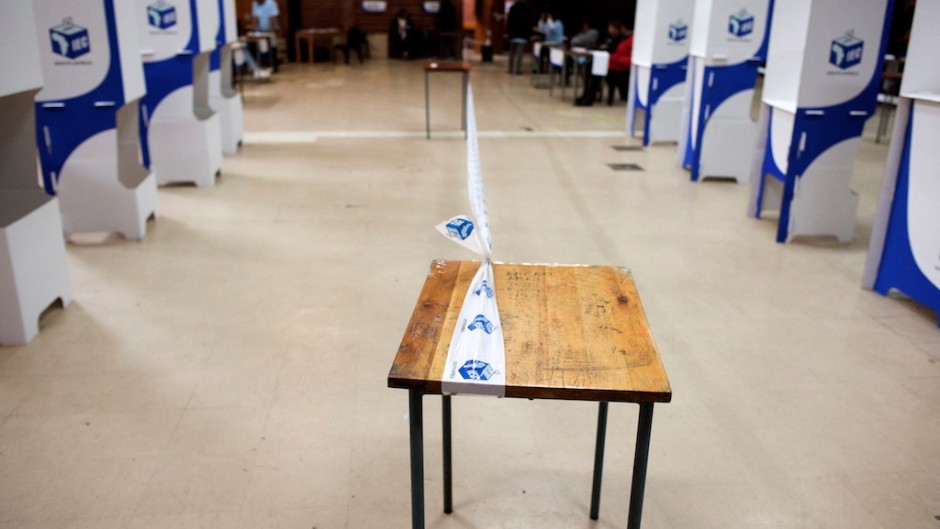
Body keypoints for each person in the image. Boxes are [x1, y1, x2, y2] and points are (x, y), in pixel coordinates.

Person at [606, 26, 633, 105]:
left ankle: (622, 96)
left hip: (623, 64)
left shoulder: (630, 39)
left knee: (613, 74)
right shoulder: (623, 39)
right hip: (616, 62)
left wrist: (616, 58)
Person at [506, 0, 532, 74]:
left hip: (513, 34)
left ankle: (510, 68)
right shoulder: (527, 9)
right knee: (518, 54)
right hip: (522, 35)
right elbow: (529, 23)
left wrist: (508, 33)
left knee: (512, 53)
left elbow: (509, 21)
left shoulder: (513, 8)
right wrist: (528, 35)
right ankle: (516, 70)